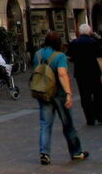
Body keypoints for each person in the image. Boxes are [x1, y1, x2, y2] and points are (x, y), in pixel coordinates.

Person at [34, 31, 88, 165]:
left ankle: (44, 153)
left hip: (43, 92)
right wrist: (69, 93)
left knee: (45, 124)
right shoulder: (60, 56)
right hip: (59, 93)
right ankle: (76, 152)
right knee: (67, 123)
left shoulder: (38, 54)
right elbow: (62, 74)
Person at [67, 24, 102, 126]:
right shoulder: (94, 42)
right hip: (94, 72)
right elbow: (100, 59)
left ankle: (89, 118)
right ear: (89, 32)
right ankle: (99, 115)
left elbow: (69, 56)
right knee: (99, 94)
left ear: (79, 32)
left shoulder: (74, 43)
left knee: (85, 96)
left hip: (81, 74)